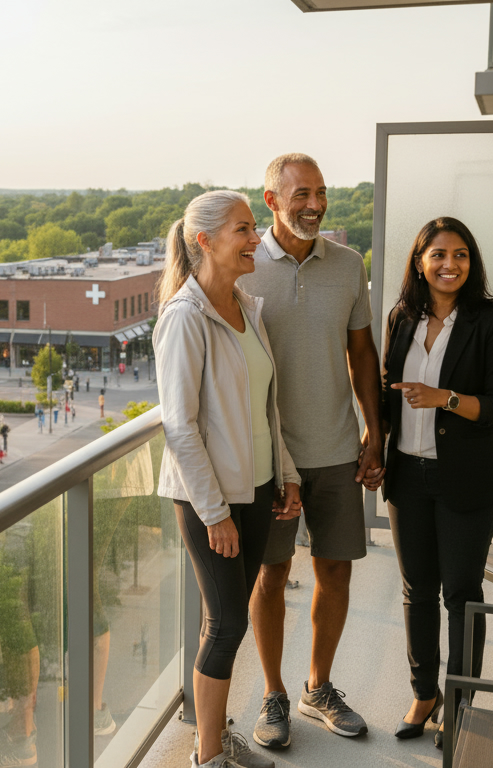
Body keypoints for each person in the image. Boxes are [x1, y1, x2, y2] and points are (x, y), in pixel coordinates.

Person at [237, 153, 385, 746]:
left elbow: (363, 355)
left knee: (335, 569)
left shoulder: (348, 265)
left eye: (320, 193)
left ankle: (317, 687)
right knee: (269, 574)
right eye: (300, 194)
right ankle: (273, 694)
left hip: (335, 448)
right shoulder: (242, 267)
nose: (314, 204)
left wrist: (375, 431)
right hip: (267, 455)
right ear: (271, 200)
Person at [155, 189, 303, 768]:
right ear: (204, 241)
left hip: (259, 489)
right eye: (243, 230)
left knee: (228, 619)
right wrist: (213, 512)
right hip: (209, 499)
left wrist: (286, 475)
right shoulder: (185, 317)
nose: (254, 240)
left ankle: (210, 737)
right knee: (227, 623)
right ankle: (209, 756)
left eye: (252, 228)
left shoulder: (248, 308)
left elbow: (269, 408)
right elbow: (180, 426)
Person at [381, 217, 493, 748]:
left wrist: (446, 399)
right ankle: (424, 693)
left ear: (471, 262)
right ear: (420, 261)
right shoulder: (401, 318)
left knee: (461, 593)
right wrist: (378, 444)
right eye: (438, 254)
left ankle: (460, 705)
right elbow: (390, 390)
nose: (449, 264)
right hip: (407, 474)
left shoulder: (492, 322)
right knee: (418, 592)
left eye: (460, 255)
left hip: (468, 480)